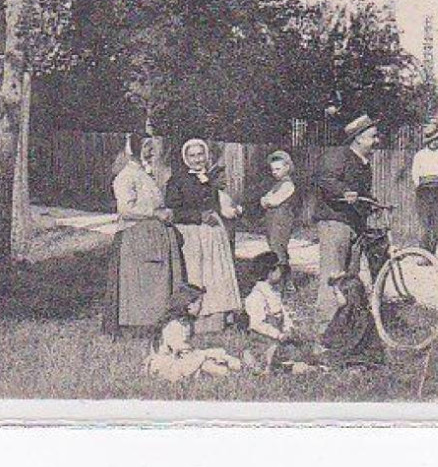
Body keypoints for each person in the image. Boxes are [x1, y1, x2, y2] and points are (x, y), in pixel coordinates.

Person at [103, 135, 185, 339]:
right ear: (133, 149)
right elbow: (125, 208)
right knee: (139, 282)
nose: (149, 152)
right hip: (136, 235)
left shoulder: (145, 174)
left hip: (151, 233)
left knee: (152, 281)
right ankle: (137, 326)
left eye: (152, 148)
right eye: (145, 147)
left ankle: (153, 323)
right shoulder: (126, 176)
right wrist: (155, 212)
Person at [313, 115, 383, 331]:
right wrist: (344, 192)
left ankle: (345, 331)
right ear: (359, 138)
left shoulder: (364, 164)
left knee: (350, 280)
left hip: (354, 225)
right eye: (373, 136)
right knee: (333, 277)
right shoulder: (339, 156)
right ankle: (324, 331)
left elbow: (362, 193)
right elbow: (325, 180)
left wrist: (374, 204)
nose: (376, 140)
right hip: (335, 222)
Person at [167, 138, 244, 333]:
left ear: (206, 156)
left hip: (213, 232)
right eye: (192, 156)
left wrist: (230, 210)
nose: (197, 159)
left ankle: (217, 316)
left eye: (200, 155)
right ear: (185, 158)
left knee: (216, 272)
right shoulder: (177, 180)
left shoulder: (211, 178)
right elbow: (173, 212)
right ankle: (195, 318)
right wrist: (198, 216)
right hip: (191, 233)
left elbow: (217, 202)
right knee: (196, 272)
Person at [145, 283, 244, 382]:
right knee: (206, 362)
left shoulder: (184, 323)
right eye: (199, 303)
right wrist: (206, 354)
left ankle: (235, 368)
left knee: (207, 359)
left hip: (176, 360)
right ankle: (233, 371)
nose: (201, 307)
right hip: (165, 367)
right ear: (189, 305)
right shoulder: (174, 325)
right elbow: (182, 350)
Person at [241, 251, 302, 374]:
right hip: (264, 340)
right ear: (270, 272)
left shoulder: (273, 292)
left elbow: (283, 313)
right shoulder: (256, 296)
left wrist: (288, 328)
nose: (281, 272)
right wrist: (277, 334)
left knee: (295, 353)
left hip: (278, 337)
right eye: (279, 268)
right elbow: (257, 324)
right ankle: (261, 364)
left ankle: (284, 365)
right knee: (272, 355)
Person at [259, 149, 299, 289]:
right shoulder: (277, 184)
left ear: (287, 167)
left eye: (277, 168)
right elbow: (264, 199)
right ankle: (287, 282)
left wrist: (267, 201)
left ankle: (281, 282)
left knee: (278, 249)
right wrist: (266, 200)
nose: (274, 172)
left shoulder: (288, 185)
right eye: (272, 169)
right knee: (275, 247)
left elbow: (273, 201)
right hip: (273, 220)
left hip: (282, 220)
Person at [410, 122, 438, 247]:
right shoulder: (420, 155)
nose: (435, 142)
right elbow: (415, 172)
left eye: (437, 140)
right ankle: (424, 252)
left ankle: (437, 252)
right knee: (424, 223)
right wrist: (419, 185)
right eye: (432, 140)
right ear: (428, 141)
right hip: (424, 190)